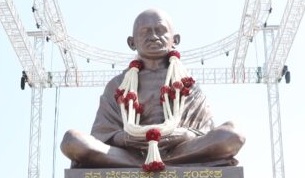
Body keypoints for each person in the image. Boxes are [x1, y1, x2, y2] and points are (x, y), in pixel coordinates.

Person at [61, 9, 245, 168]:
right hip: (129, 153)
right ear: (132, 42)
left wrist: (184, 135)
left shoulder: (187, 83)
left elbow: (204, 131)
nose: (154, 36)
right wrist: (126, 138)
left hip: (180, 149)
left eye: (161, 30)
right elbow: (102, 133)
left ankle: (149, 163)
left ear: (175, 40)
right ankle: (147, 163)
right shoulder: (118, 85)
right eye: (145, 31)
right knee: (72, 140)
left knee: (231, 135)